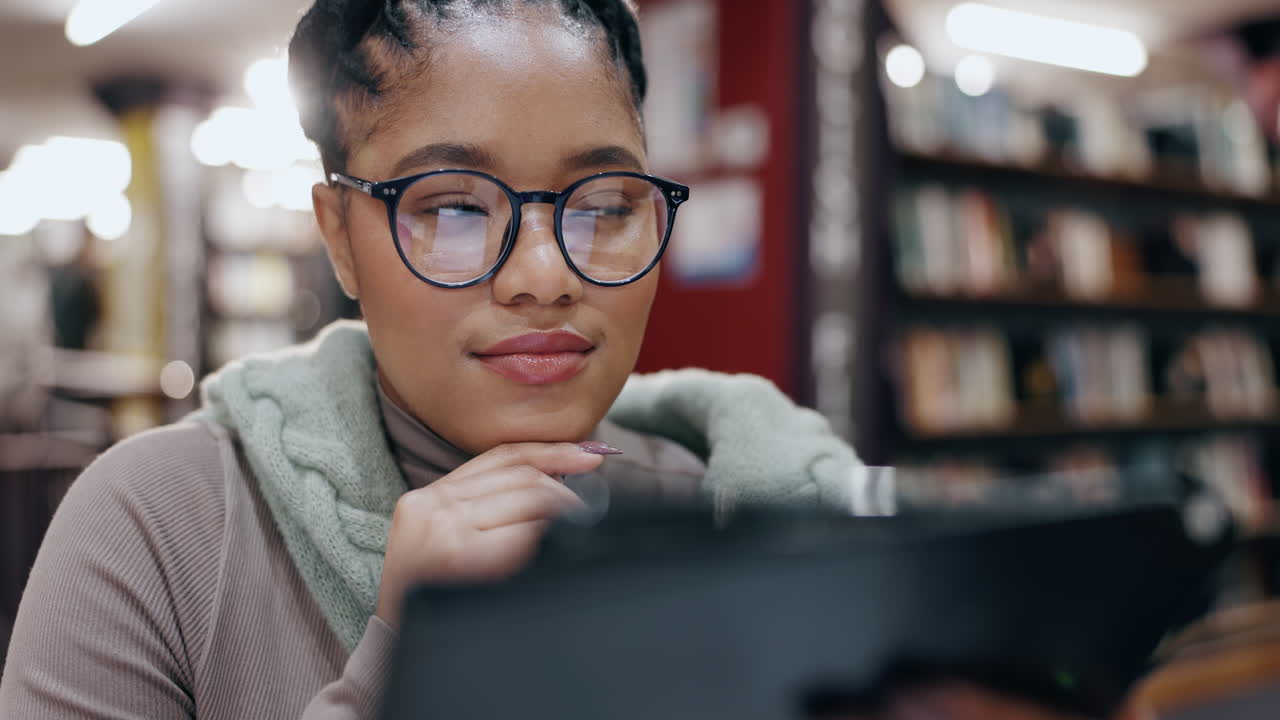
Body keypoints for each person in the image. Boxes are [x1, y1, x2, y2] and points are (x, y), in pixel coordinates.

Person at [0, 2, 1086, 718]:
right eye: (452, 208)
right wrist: (400, 665)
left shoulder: (750, 515)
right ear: (337, 235)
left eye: (603, 204)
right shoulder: (159, 529)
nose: (541, 276)